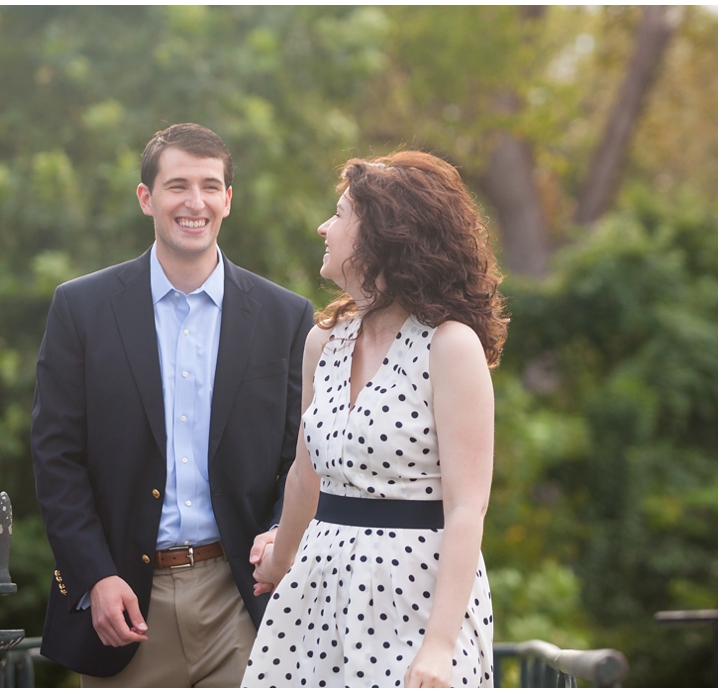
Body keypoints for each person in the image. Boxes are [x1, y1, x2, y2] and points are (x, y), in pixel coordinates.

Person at [31, 123, 314, 686]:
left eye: (210, 186)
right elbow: (56, 456)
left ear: (228, 201)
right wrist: (93, 577)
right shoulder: (81, 308)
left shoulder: (287, 318)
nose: (195, 202)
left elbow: (302, 456)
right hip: (127, 604)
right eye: (177, 185)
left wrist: (281, 537)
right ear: (147, 198)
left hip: (244, 599)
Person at [242, 151, 508, 688]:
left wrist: (438, 647)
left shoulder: (450, 345)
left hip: (413, 597)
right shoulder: (325, 341)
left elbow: (466, 508)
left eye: (339, 215)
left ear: (382, 236)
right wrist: (281, 556)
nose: (324, 226)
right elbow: (305, 474)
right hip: (316, 592)